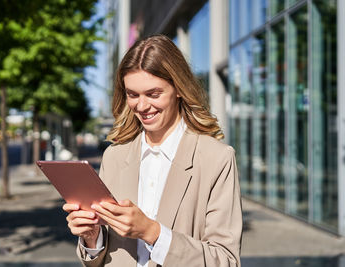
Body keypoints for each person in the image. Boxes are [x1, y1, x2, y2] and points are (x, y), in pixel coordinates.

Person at [63, 34, 242, 267]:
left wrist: (153, 232)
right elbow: (104, 257)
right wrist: (91, 237)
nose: (142, 106)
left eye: (153, 94)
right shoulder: (115, 156)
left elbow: (226, 260)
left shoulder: (216, 159)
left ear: (179, 88)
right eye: (133, 95)